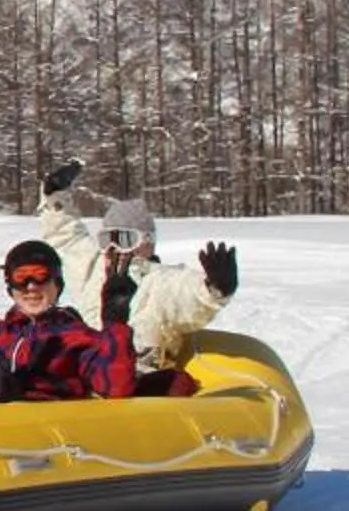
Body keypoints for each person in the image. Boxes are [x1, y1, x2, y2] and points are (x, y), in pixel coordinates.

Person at [36, 158, 240, 392]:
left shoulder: (161, 282)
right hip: (94, 373)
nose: (114, 249)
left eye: (124, 240)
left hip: (140, 378)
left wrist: (215, 288)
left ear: (147, 243)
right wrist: (55, 198)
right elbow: (66, 237)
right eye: (107, 240)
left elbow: (187, 294)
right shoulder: (94, 269)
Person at [0, 238, 136, 403]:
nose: (32, 287)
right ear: (10, 288)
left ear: (57, 284)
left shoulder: (78, 338)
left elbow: (115, 389)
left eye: (40, 276)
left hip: (43, 429)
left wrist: (116, 323)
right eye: (21, 278)